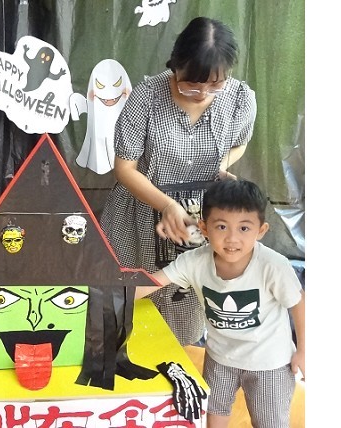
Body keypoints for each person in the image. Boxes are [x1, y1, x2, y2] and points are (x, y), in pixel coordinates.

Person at [100, 16, 257, 345]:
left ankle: (181, 360)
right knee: (128, 303)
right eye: (191, 85)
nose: (202, 94)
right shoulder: (147, 97)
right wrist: (168, 205)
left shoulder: (240, 99)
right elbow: (125, 168)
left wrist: (218, 167)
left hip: (197, 217)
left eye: (214, 86)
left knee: (186, 302)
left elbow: (240, 143)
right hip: (139, 214)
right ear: (176, 66)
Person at [136, 179, 305, 428]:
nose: (232, 238)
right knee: (213, 415)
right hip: (220, 358)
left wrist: (304, 350)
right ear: (204, 228)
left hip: (269, 362)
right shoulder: (193, 261)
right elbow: (150, 283)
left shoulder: (273, 265)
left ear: (261, 230)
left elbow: (298, 303)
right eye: (222, 226)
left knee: (270, 422)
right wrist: (104, 293)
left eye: (244, 228)